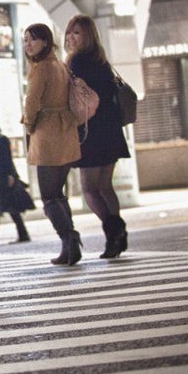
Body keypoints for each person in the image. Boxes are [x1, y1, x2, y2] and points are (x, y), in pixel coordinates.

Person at [65, 15, 132, 258]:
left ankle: (114, 233)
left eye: (77, 33)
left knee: (90, 189)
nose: (71, 38)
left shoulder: (76, 63)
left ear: (88, 36)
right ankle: (117, 232)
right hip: (111, 130)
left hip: (91, 132)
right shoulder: (102, 62)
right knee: (105, 186)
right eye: (69, 33)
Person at [22, 23, 83, 266]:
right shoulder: (60, 65)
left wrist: (29, 125)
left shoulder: (41, 69)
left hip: (47, 132)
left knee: (48, 196)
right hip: (66, 130)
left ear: (45, 42)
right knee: (59, 193)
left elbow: (32, 101)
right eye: (25, 40)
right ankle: (70, 246)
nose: (28, 45)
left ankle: (69, 238)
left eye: (32, 40)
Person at [0, 118, 32, 244]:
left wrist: (11, 175)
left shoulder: (2, 140)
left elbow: (8, 159)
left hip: (4, 176)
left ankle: (23, 234)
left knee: (11, 208)